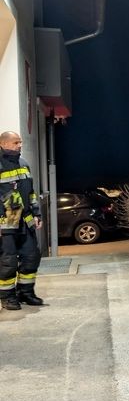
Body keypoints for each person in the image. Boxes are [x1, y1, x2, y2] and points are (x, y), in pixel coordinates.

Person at [0, 131, 43, 309]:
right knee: (8, 260)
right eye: (16, 142)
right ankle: (7, 297)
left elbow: (31, 192)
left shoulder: (24, 164)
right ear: (3, 143)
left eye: (20, 142)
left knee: (31, 256)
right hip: (6, 222)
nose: (20, 145)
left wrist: (37, 213)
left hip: (26, 220)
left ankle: (26, 293)